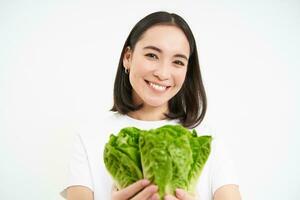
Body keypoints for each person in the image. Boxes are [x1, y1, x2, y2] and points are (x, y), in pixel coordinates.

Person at [60, 11, 242, 200]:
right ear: (128, 57)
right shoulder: (89, 136)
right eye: (152, 55)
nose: (163, 73)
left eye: (178, 62)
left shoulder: (207, 139)